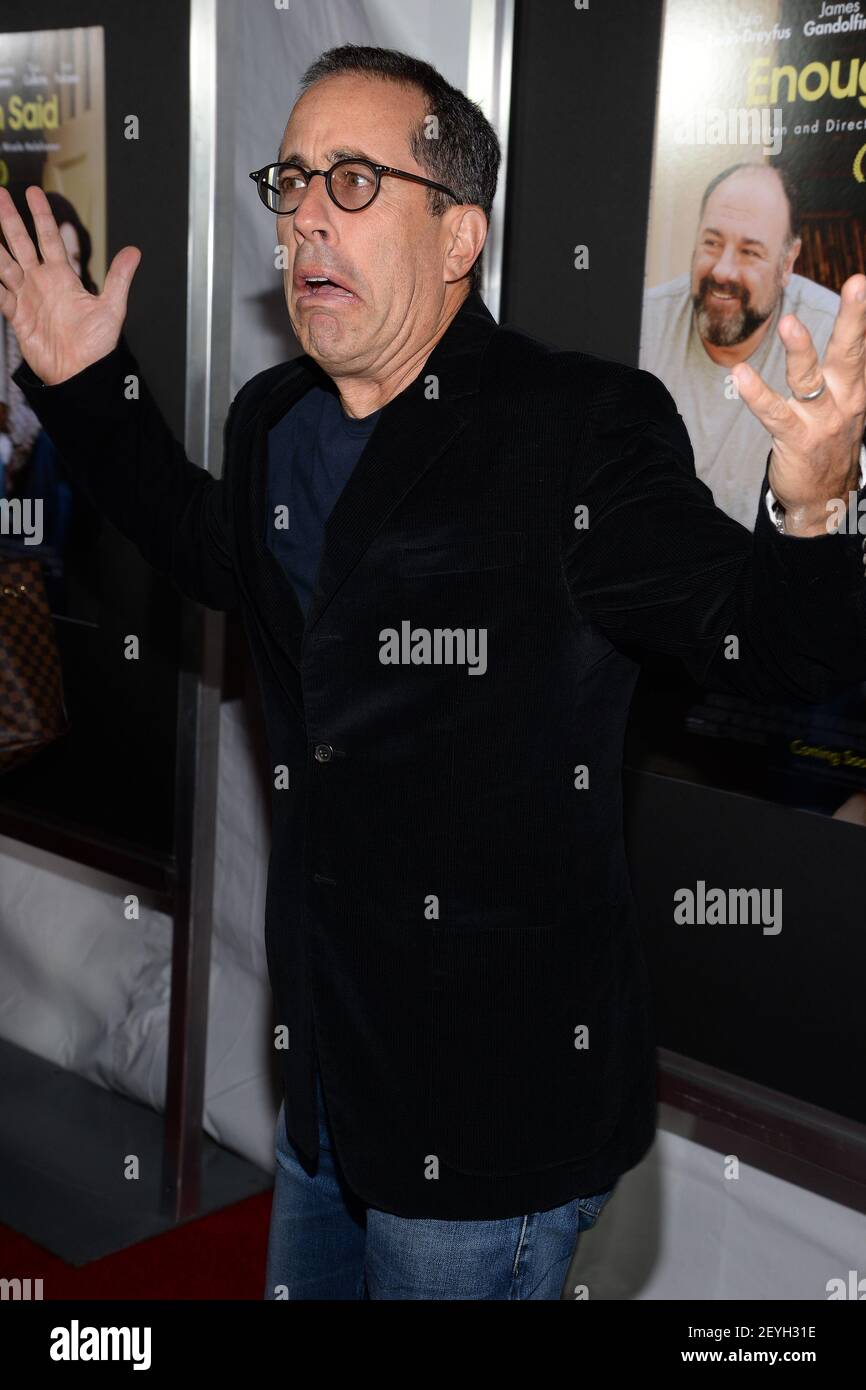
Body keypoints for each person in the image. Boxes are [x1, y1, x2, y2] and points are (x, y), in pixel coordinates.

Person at [1, 43, 865, 1301]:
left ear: (458, 236)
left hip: (492, 1111)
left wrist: (809, 505)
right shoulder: (277, 418)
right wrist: (88, 389)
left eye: (352, 181)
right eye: (291, 180)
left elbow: (763, 644)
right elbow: (208, 549)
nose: (304, 214)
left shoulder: (580, 428)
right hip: (327, 1081)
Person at [640, 162, 842, 531]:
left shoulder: (832, 335)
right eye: (712, 243)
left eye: (750, 252)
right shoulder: (643, 322)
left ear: (788, 263)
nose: (724, 271)